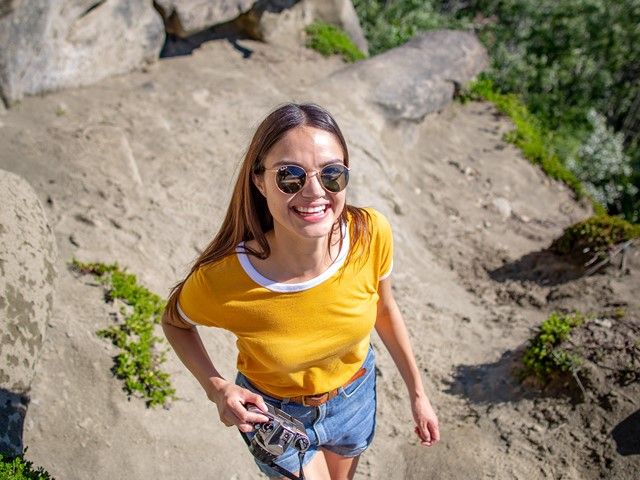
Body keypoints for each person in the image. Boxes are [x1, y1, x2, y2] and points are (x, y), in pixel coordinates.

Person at [161, 103, 440, 479]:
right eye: (290, 176)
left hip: (354, 398)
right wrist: (217, 388)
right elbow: (176, 322)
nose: (314, 192)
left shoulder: (371, 233)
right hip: (274, 414)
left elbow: (384, 310)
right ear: (259, 181)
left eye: (332, 175)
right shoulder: (224, 278)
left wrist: (418, 395)